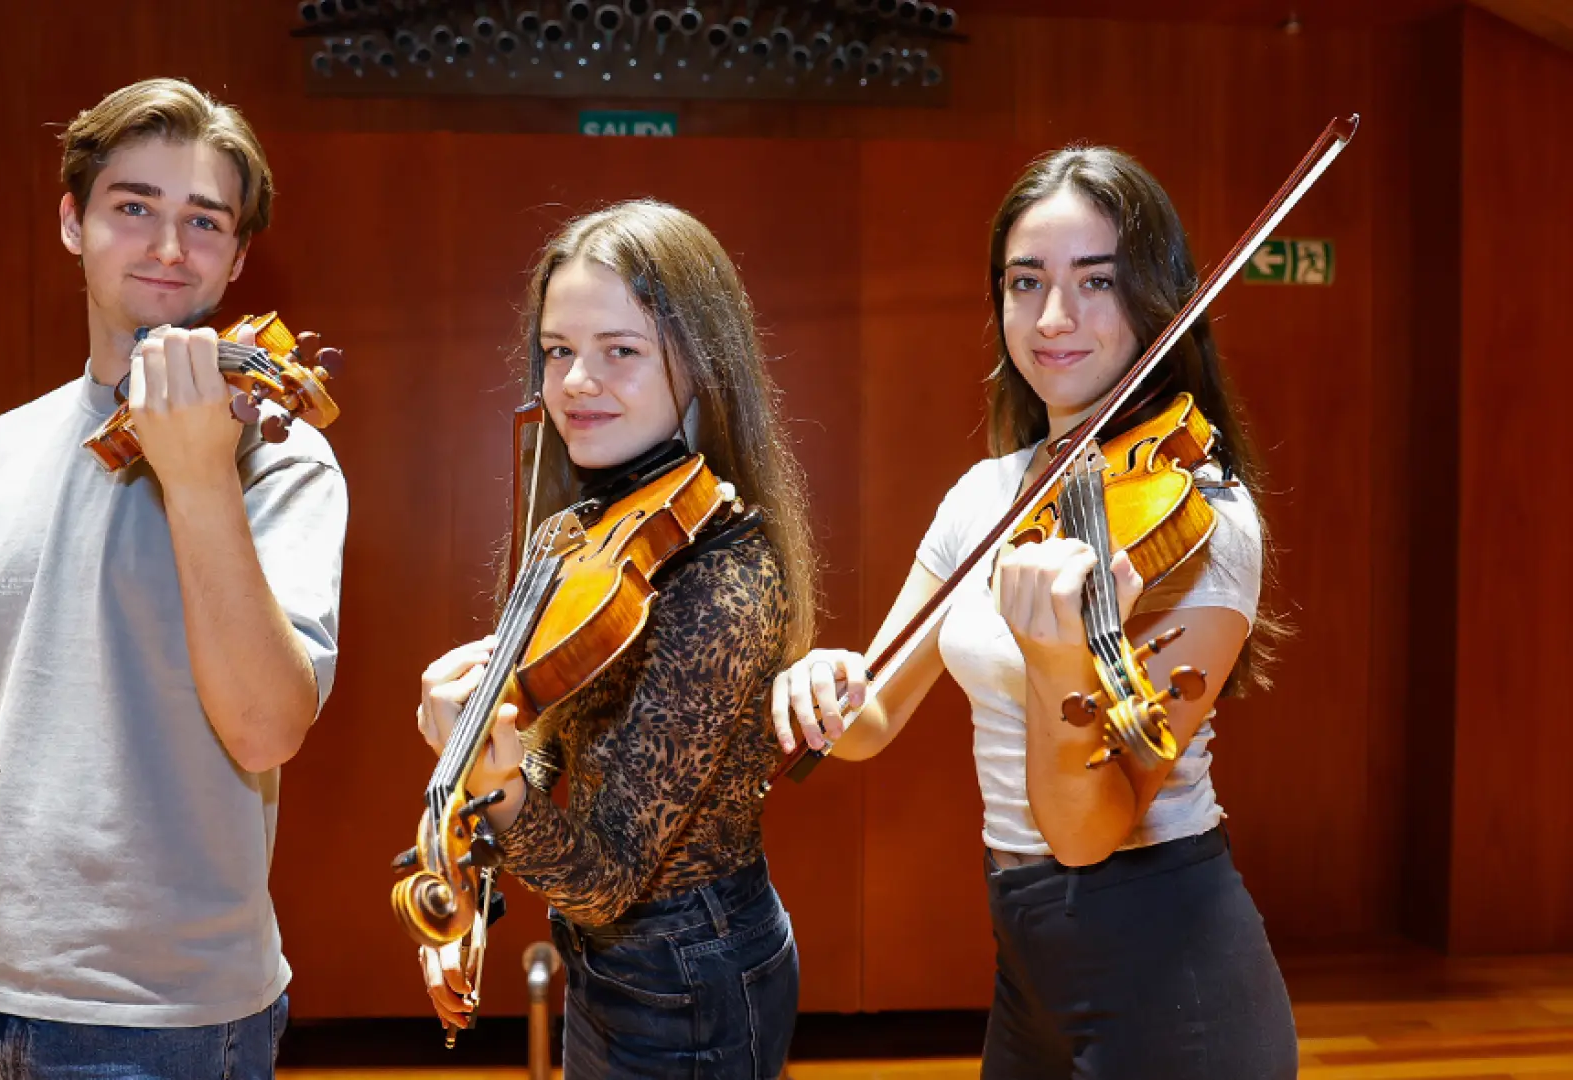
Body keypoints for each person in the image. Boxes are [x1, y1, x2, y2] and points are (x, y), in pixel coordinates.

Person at [770, 146, 1298, 1079]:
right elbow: (873, 715)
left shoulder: (1205, 520)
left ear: (1158, 299)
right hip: (1027, 966)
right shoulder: (986, 496)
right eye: (1026, 282)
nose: (1054, 318)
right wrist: (826, 679)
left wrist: (1058, 660)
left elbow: (1087, 832)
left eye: (1097, 281)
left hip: (1169, 969)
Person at [0, 77, 346, 1079]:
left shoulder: (279, 456)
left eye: (204, 220)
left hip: (161, 1018)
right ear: (73, 224)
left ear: (237, 256)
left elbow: (266, 728)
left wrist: (198, 473)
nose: (169, 245)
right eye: (134, 207)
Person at [414, 200, 815, 1079]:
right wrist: (481, 798)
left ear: (702, 362)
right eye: (558, 351)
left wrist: (497, 783)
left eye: (619, 351)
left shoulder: (722, 579)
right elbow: (559, 746)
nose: (574, 382)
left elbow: (606, 879)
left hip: (691, 971)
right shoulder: (588, 527)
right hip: (608, 962)